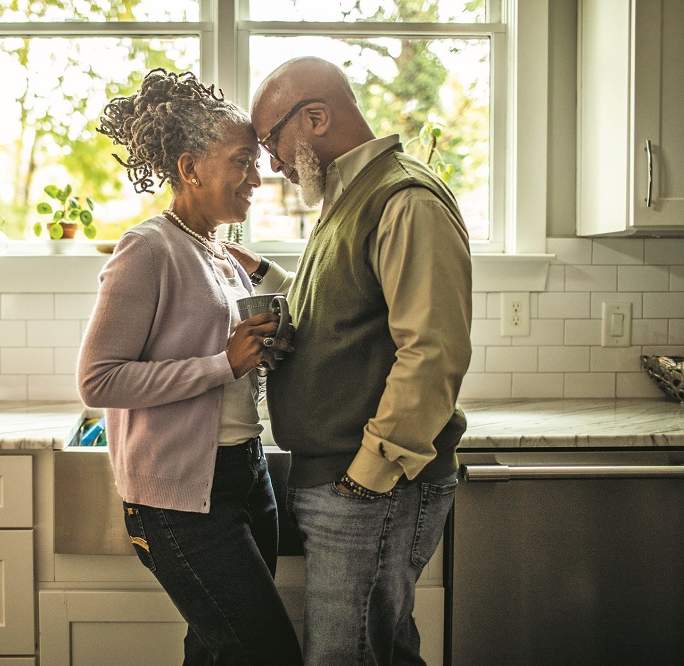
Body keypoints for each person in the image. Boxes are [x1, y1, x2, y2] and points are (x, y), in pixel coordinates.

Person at [224, 56, 472, 665]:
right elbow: (352, 304)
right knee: (381, 648)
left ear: (315, 116)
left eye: (271, 141)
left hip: (368, 484)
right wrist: (268, 279)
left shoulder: (404, 199)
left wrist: (368, 473)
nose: (271, 163)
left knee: (345, 656)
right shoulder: (348, 197)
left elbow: (432, 351)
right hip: (344, 480)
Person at [77, 68, 303, 665]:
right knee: (268, 654)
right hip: (180, 499)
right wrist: (222, 364)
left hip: (245, 475)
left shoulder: (218, 252)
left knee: (214, 651)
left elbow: (229, 356)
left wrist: (257, 354)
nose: (257, 177)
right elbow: (100, 379)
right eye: (241, 161)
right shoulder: (148, 247)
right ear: (189, 167)